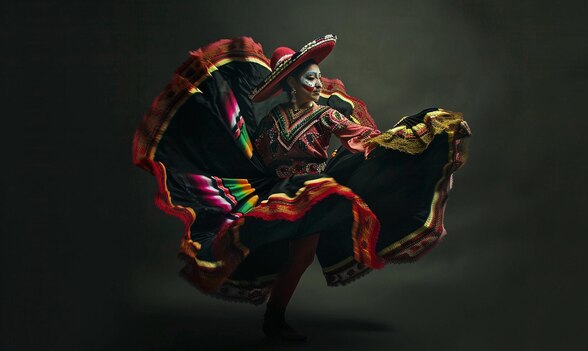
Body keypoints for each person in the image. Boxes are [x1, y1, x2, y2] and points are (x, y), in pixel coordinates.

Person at [132, 34, 470, 341]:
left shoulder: (326, 115)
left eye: (319, 76)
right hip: (278, 189)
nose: (319, 83)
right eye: (310, 78)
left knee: (301, 255)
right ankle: (273, 317)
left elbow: (358, 136)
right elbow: (260, 156)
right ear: (292, 83)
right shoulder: (271, 119)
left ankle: (274, 319)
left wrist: (399, 139)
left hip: (314, 190)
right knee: (276, 249)